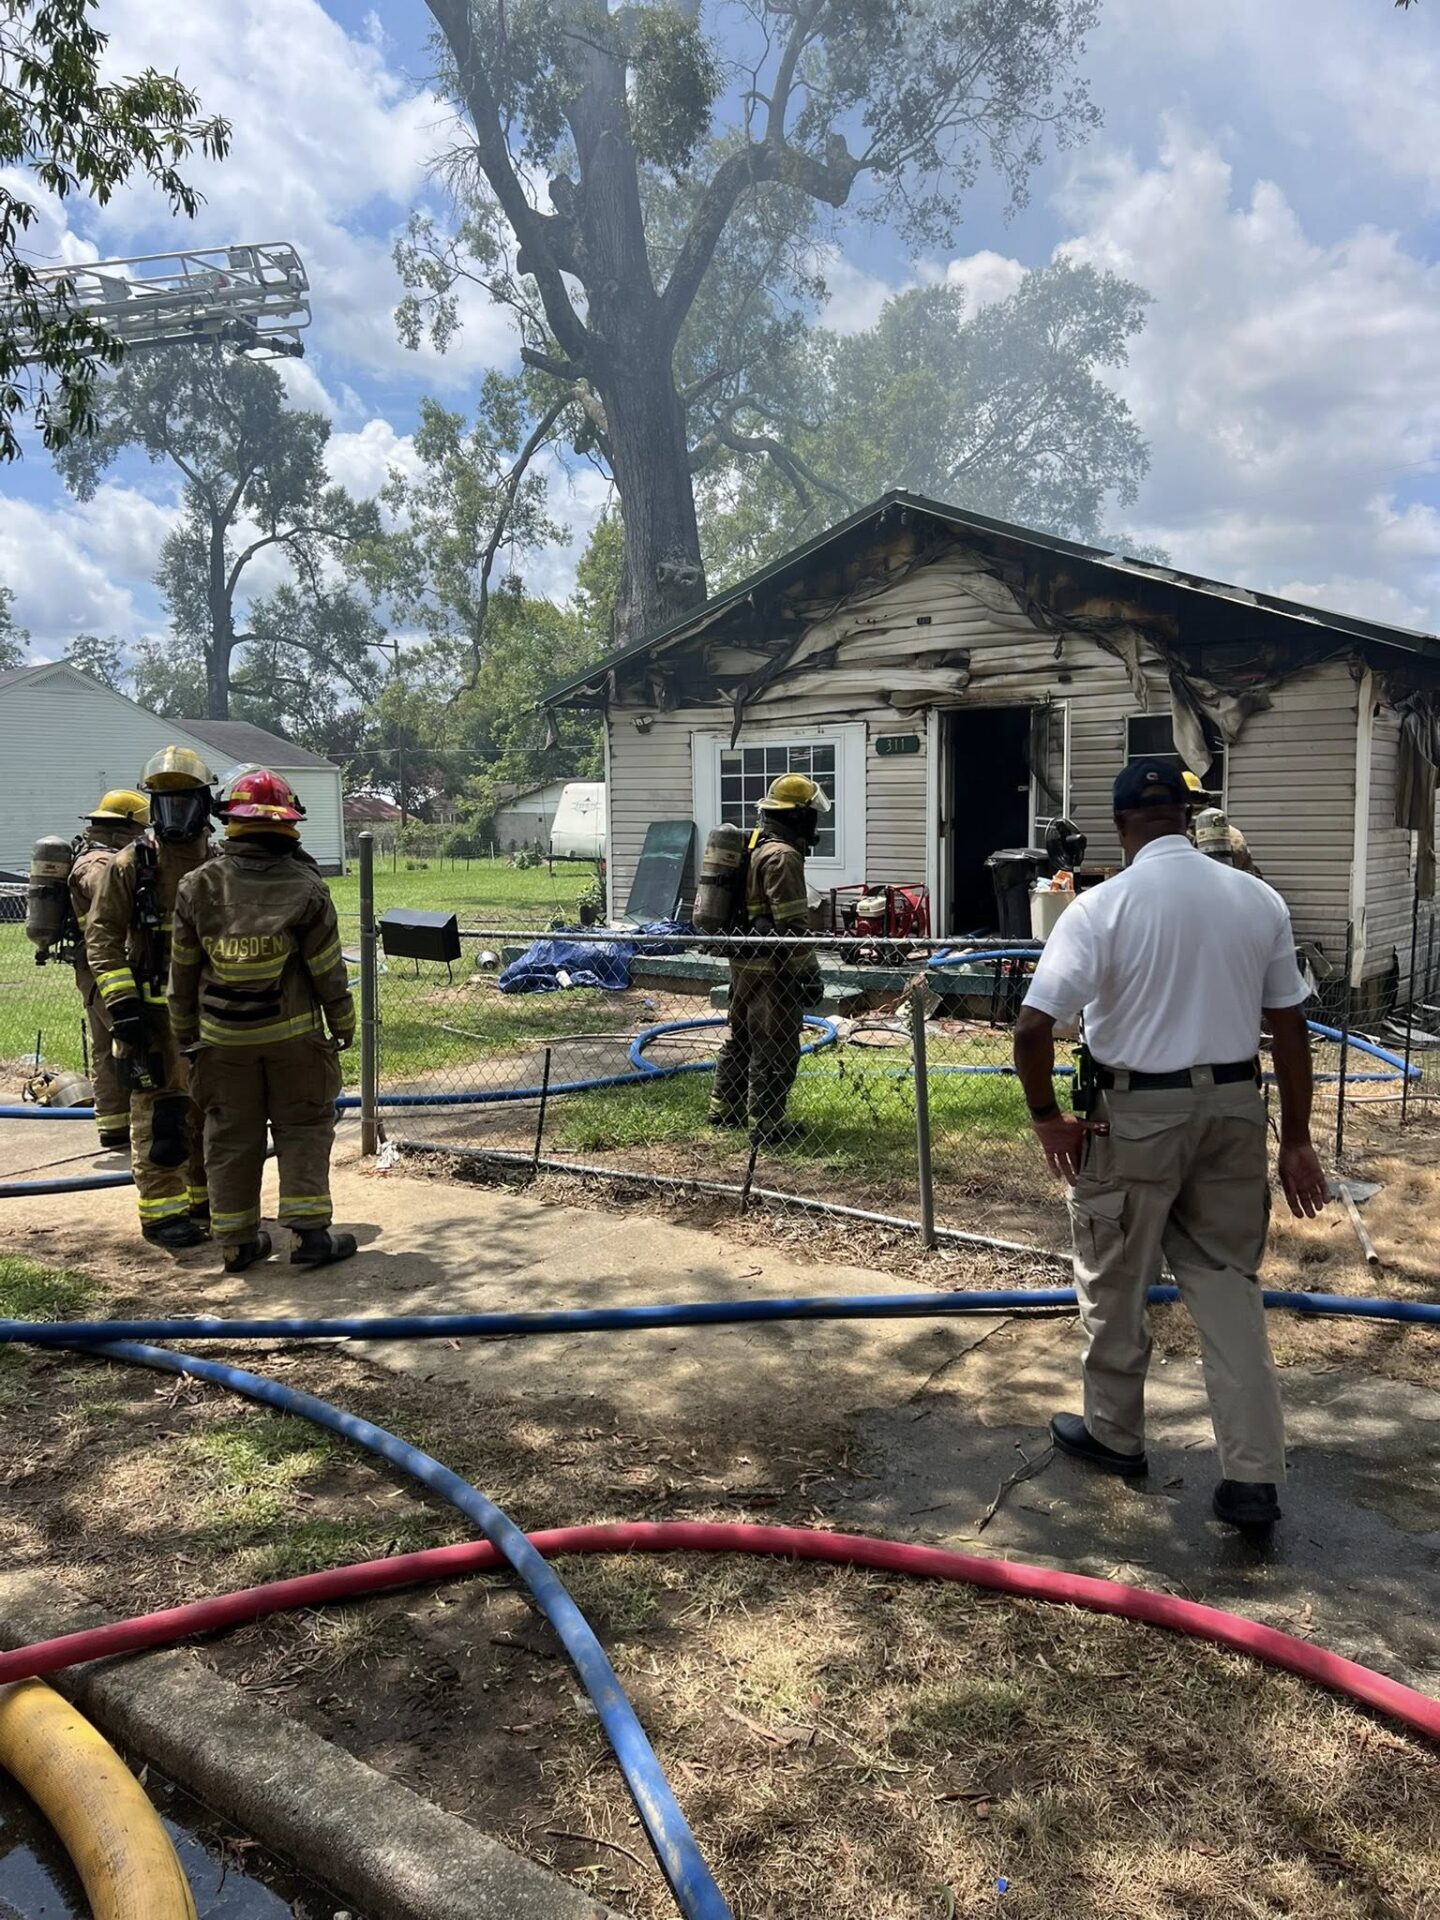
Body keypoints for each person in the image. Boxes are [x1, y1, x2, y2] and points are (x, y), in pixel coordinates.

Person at [1012, 756, 1329, 1530]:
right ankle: (1252, 1478)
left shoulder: (1100, 908)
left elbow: (1032, 1028)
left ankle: (1115, 1435)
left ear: (1121, 825)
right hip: (1234, 1109)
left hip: (1134, 1117)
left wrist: (1048, 1116)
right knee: (1226, 1284)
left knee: (1115, 1279)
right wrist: (1297, 1140)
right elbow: (1290, 1027)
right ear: (1187, 820)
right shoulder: (1257, 900)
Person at [169, 767, 357, 1274]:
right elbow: (327, 970)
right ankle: (310, 1235)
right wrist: (342, 1022)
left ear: (231, 821)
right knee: (304, 1125)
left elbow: (182, 972)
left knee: (230, 1134)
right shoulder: (307, 887)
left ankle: (236, 1243)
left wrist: (185, 1034)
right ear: (289, 823)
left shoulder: (196, 886)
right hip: (295, 1039)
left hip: (220, 1043)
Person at [87, 748, 216, 1248]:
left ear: (205, 806)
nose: (174, 817)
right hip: (153, 1020)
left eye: (184, 804)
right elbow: (101, 938)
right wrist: (122, 1007)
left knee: (211, 1111)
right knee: (163, 1117)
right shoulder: (131, 865)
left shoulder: (220, 863)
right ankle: (162, 1214)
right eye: (164, 805)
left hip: (211, 1016)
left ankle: (204, 1200)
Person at [708, 772, 828, 1144]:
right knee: (776, 1046)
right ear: (798, 816)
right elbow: (793, 929)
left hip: (743, 965)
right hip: (774, 971)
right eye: (811, 814)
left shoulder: (755, 847)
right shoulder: (783, 856)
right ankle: (767, 1125)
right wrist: (810, 974)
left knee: (742, 1037)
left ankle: (724, 1110)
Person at [68, 789, 150, 1150]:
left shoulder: (98, 857)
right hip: (104, 966)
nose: (141, 839)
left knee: (107, 1046)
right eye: (139, 832)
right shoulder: (98, 864)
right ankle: (135, 1123)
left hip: (99, 965)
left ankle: (114, 1125)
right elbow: (109, 895)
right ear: (123, 830)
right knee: (130, 1041)